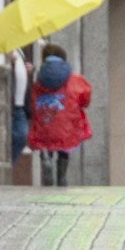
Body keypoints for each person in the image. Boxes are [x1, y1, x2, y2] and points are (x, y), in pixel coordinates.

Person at [26, 42, 92, 184]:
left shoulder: (39, 81)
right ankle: (62, 177)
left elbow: (32, 102)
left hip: (46, 122)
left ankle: (46, 160)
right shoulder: (75, 79)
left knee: (46, 143)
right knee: (64, 147)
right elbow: (85, 100)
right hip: (66, 126)